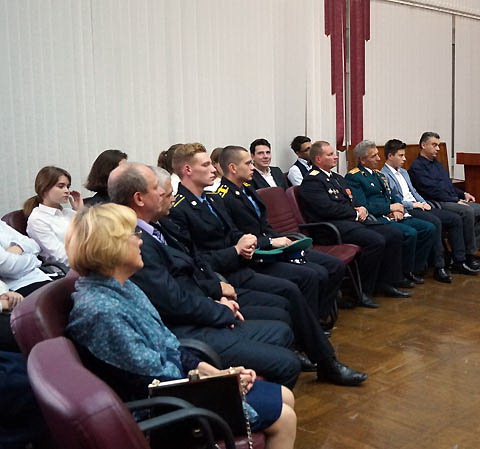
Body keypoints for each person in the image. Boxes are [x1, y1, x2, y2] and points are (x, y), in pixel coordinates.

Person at [63, 203, 296, 446]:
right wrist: (220, 384)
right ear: (110, 246)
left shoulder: (123, 287)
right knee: (284, 418)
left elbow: (169, 346)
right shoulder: (101, 312)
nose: (140, 241)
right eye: (132, 235)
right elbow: (151, 379)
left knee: (285, 396)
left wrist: (221, 375)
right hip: (163, 408)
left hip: (177, 388)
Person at [165, 144, 367, 385]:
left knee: (297, 287)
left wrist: (246, 241)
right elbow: (197, 260)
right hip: (224, 276)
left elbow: (231, 234)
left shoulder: (211, 200)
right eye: (206, 164)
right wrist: (236, 250)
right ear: (188, 170)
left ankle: (322, 359)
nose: (213, 169)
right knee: (293, 289)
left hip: (241, 265)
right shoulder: (179, 210)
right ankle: (323, 361)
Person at [109, 162, 302, 388]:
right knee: (287, 360)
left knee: (282, 326)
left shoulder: (157, 227)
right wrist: (220, 311)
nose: (162, 191)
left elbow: (192, 267)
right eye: (155, 187)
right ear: (139, 198)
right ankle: (250, 405)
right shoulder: (136, 242)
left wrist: (217, 296)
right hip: (188, 330)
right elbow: (173, 301)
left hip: (203, 304)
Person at [214, 146, 346, 323]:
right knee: (313, 275)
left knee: (335, 265)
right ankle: (310, 324)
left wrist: (280, 239)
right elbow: (236, 237)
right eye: (248, 164)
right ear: (233, 168)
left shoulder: (247, 188)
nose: (252, 167)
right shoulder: (222, 198)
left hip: (273, 245)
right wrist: (270, 241)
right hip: (258, 256)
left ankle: (318, 317)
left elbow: (263, 224)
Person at [298, 141, 411, 308]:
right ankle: (360, 290)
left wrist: (361, 208)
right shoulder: (312, 181)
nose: (335, 156)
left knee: (394, 234)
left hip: (349, 222)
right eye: (330, 154)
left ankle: (386, 282)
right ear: (318, 159)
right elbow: (327, 209)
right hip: (330, 228)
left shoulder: (336, 178)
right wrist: (355, 213)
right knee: (376, 241)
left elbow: (352, 200)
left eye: (334, 153)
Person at [381, 139, 479, 282]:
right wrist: (415, 205)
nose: (404, 159)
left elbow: (413, 191)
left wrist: (423, 202)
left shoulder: (403, 172)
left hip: (419, 205)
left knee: (454, 219)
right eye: (401, 156)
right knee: (435, 222)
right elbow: (394, 200)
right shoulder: (384, 175)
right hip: (408, 209)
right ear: (390, 156)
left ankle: (459, 260)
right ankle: (439, 266)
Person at [346, 140, 436, 285]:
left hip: (392, 214)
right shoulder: (354, 177)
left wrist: (399, 207)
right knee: (409, 233)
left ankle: (414, 269)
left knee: (428, 228)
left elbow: (392, 195)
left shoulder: (378, 174)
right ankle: (400, 275)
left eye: (377, 154)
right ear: (362, 160)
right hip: (376, 217)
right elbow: (364, 205)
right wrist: (389, 209)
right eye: (374, 156)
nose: (378, 158)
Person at [409, 132, 480, 271]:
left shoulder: (437, 165)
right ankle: (467, 256)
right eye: (434, 145)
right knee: (467, 211)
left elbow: (448, 186)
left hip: (451, 199)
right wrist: (455, 200)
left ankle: (468, 249)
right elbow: (432, 191)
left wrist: (463, 194)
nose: (438, 149)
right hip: (438, 202)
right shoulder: (417, 167)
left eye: (438, 145)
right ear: (423, 145)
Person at [0, 220, 54, 352]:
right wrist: (34, 260)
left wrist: (19, 248)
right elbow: (8, 266)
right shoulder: (39, 219)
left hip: (41, 276)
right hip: (21, 285)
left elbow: (34, 244)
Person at [24, 166, 84, 265]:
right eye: (61, 186)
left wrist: (80, 211)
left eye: (68, 186)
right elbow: (61, 255)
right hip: (68, 268)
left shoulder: (69, 213)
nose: (67, 191)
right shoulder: (37, 219)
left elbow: (94, 237)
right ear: (44, 189)